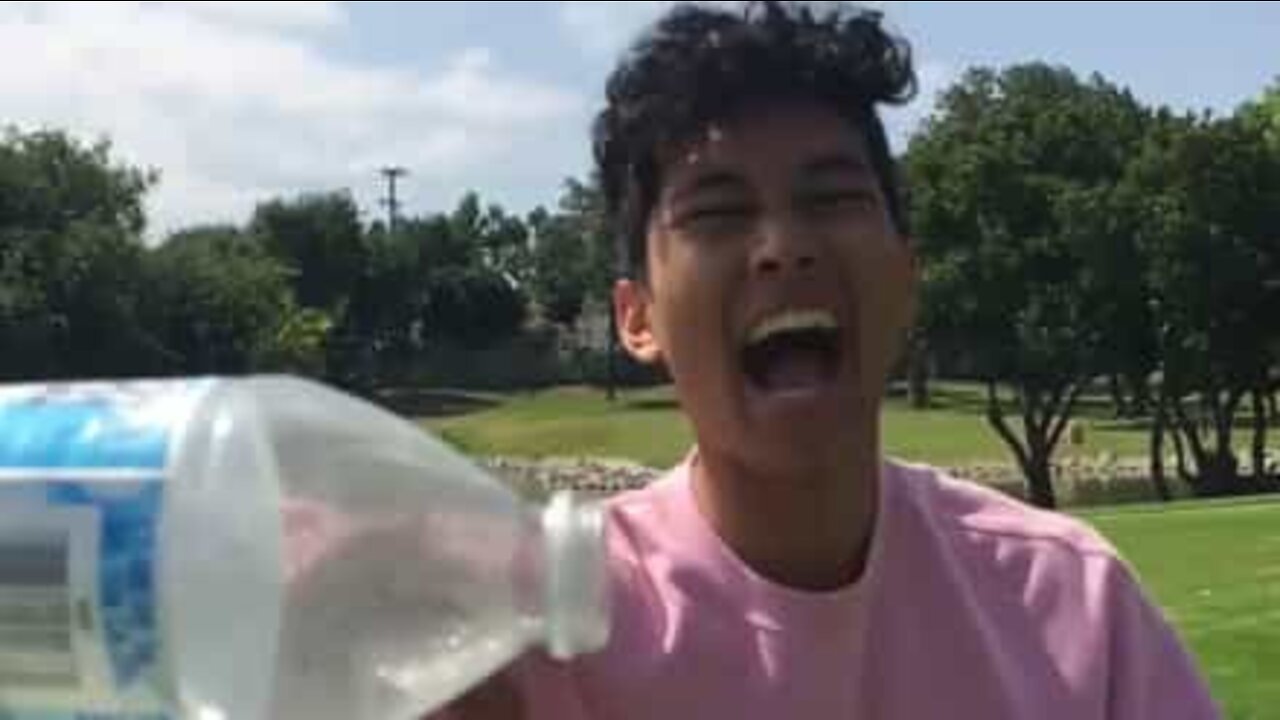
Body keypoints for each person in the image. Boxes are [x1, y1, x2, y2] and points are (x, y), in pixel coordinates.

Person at [438, 2, 1220, 717]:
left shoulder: (1075, 602)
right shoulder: (534, 641)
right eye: (718, 213)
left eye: (832, 198)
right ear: (637, 319)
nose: (784, 248)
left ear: (906, 278)